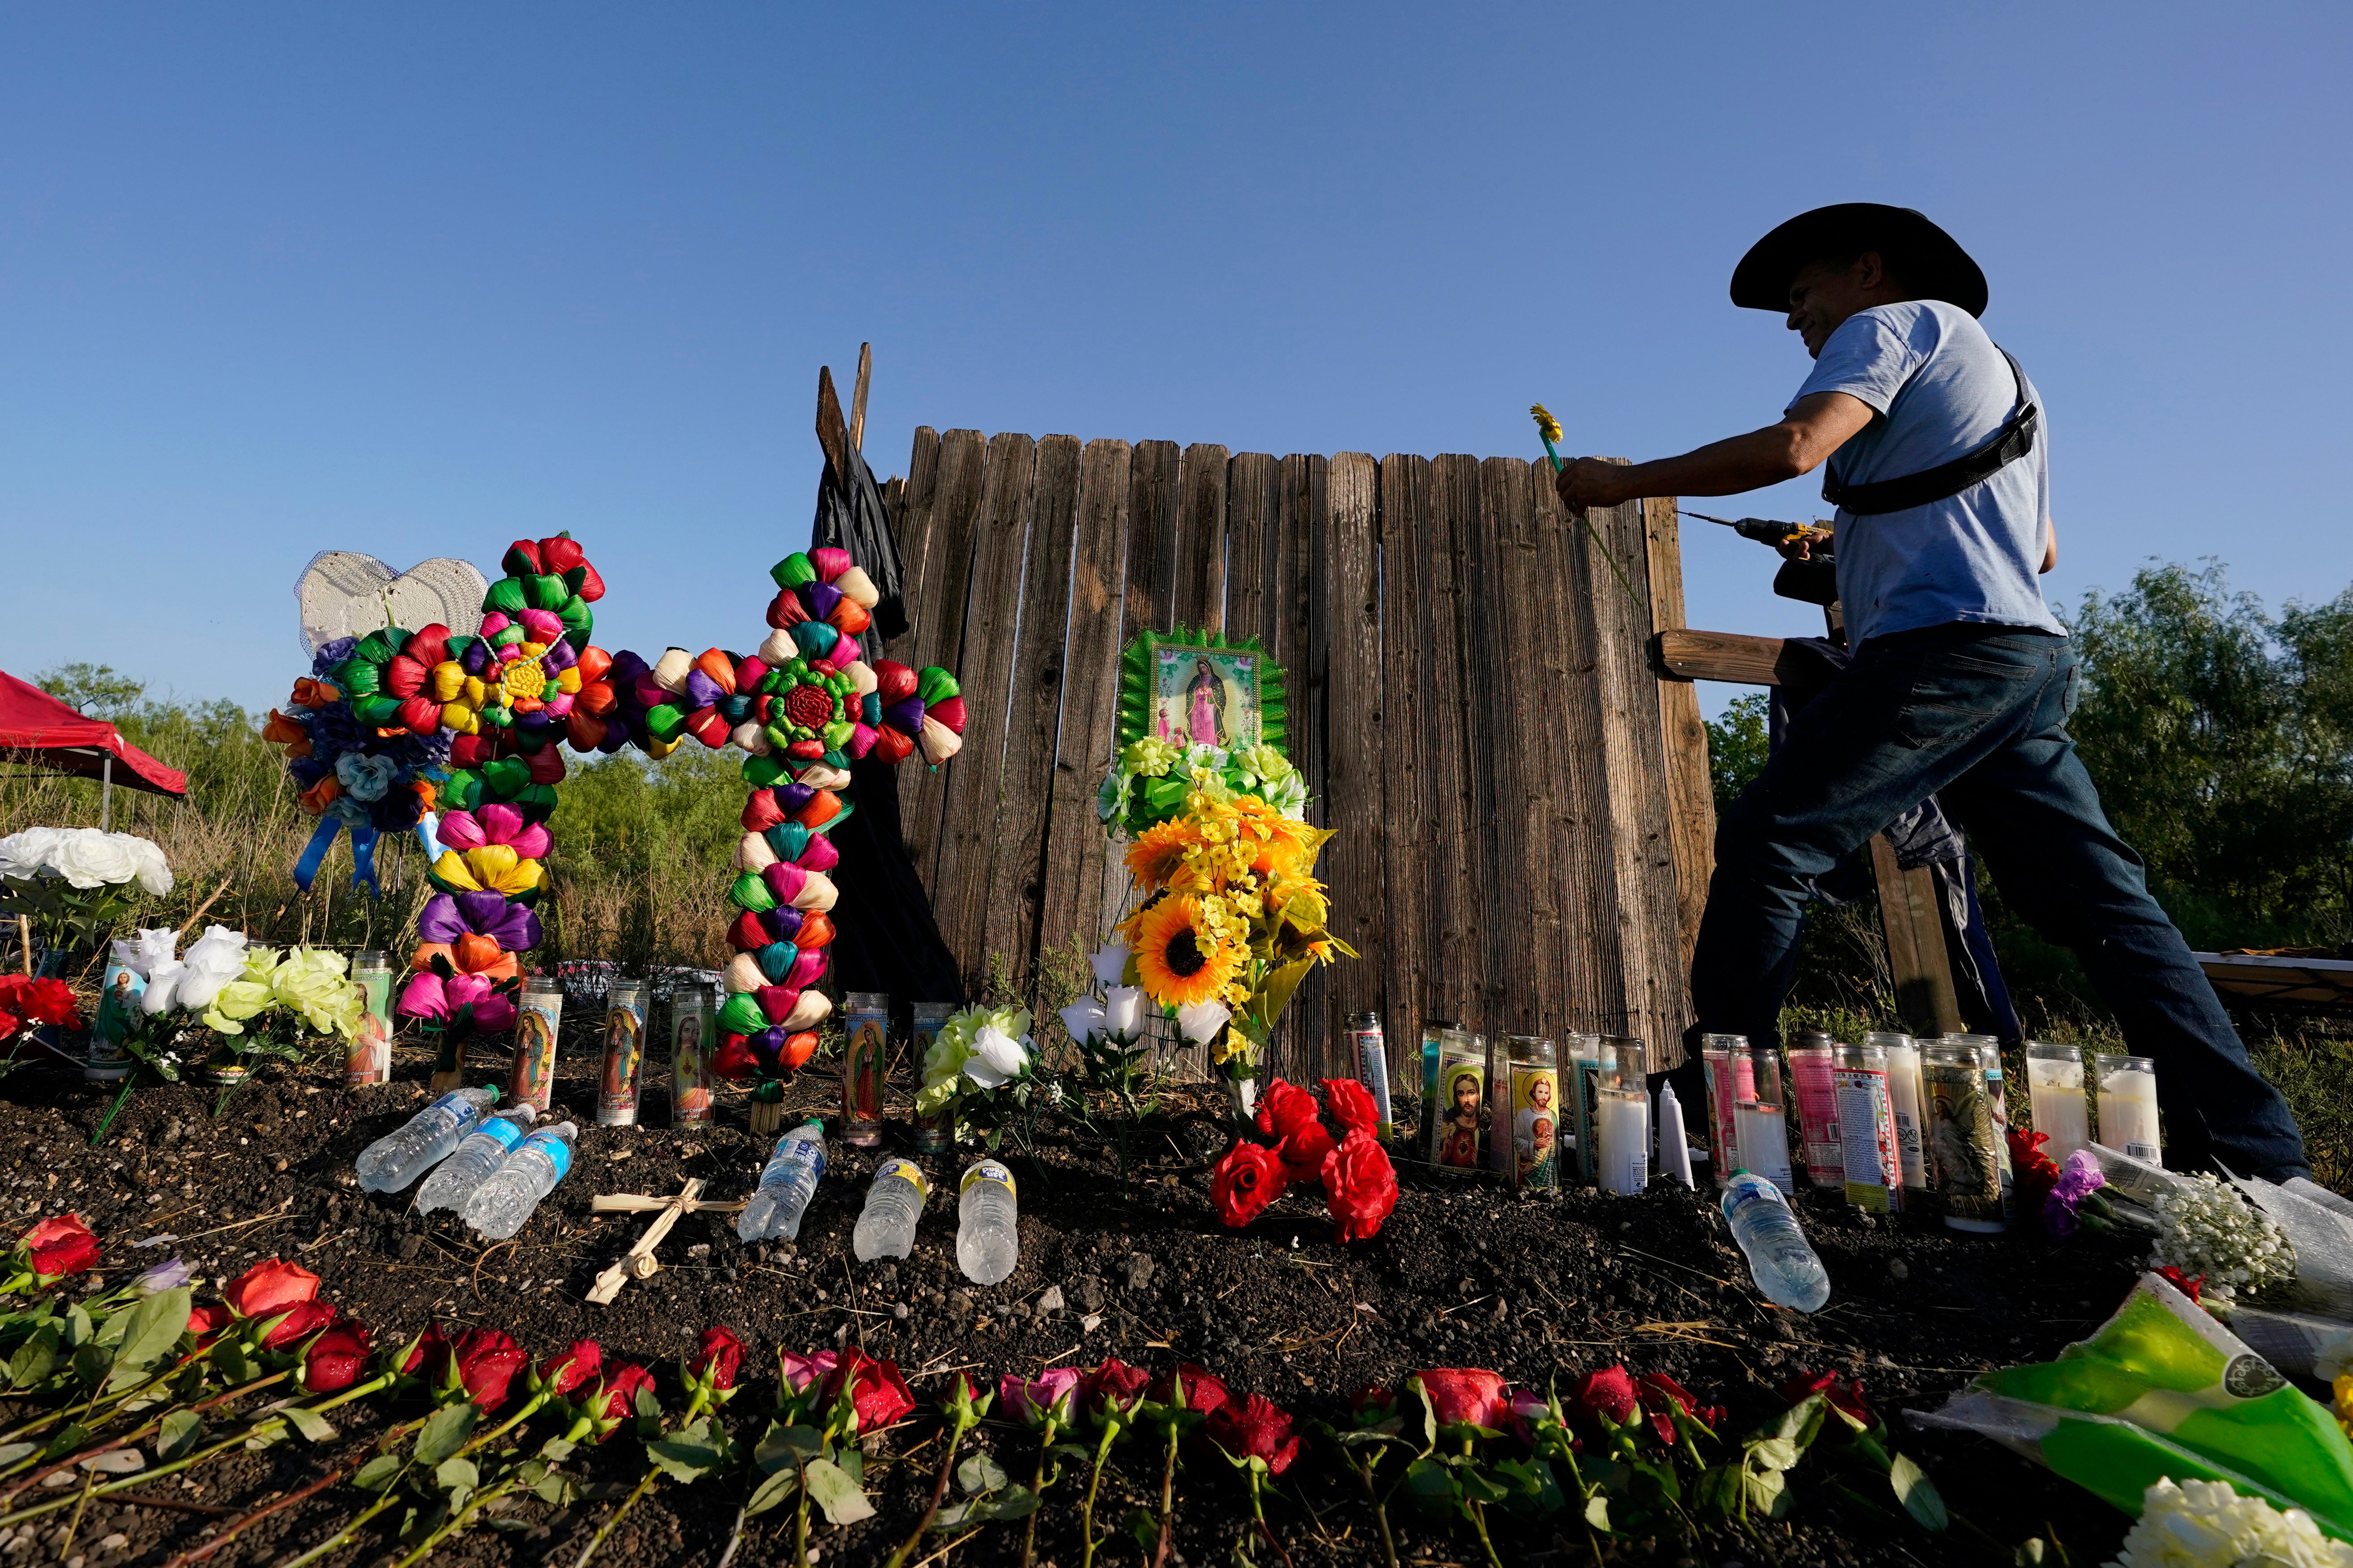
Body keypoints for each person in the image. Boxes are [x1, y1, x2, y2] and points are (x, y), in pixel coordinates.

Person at [1552, 202, 2307, 1181]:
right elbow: (2036, 550)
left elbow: (1792, 447)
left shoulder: (1897, 324)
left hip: (1942, 657)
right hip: (2021, 663)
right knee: (2102, 903)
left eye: (1801, 295)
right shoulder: (2008, 377)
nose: (1795, 321)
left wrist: (1621, 481)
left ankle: (1713, 1099)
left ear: (1868, 270)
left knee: (1771, 838)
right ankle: (2254, 1152)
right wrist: (1848, 551)